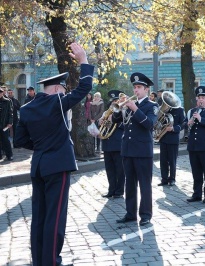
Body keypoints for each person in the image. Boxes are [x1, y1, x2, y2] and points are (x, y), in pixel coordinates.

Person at [14, 42, 93, 266]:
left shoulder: (26, 108)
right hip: (57, 166)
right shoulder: (57, 103)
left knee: (39, 215)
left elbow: (20, 140)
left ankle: (39, 260)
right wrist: (83, 60)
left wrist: (41, 146)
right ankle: (51, 261)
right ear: (58, 89)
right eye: (64, 90)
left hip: (38, 166)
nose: (65, 93)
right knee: (55, 217)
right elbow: (83, 89)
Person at [113, 72, 158, 226]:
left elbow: (149, 124)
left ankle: (145, 214)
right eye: (135, 87)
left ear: (146, 90)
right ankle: (130, 213)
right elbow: (114, 120)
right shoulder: (130, 104)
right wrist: (119, 109)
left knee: (145, 184)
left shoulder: (152, 106)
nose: (136, 90)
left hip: (143, 151)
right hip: (127, 149)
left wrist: (135, 109)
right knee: (130, 184)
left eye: (139, 87)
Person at [99, 90, 126, 199]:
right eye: (113, 102)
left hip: (118, 144)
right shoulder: (106, 112)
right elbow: (102, 127)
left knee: (120, 169)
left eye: (116, 101)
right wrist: (100, 122)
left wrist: (114, 121)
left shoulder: (124, 113)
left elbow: (126, 127)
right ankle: (111, 190)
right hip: (106, 144)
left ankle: (119, 191)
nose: (114, 103)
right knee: (109, 170)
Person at [157, 105, 185, 186]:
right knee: (163, 161)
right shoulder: (164, 110)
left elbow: (183, 123)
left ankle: (172, 179)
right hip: (163, 138)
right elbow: (158, 121)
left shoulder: (179, 110)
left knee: (172, 160)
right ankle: (164, 179)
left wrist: (174, 128)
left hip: (173, 139)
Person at [0, 86, 13, 161]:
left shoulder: (7, 101)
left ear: (2, 93)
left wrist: (10, 122)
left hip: (4, 125)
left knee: (6, 140)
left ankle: (9, 155)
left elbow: (10, 113)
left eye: (0, 92)